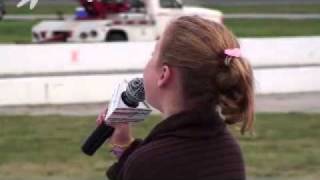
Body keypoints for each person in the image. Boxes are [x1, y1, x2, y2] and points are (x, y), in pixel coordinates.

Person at [97, 15, 255, 180]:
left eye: (153, 54)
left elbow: (149, 168)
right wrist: (122, 144)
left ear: (164, 74)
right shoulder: (229, 151)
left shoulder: (150, 162)